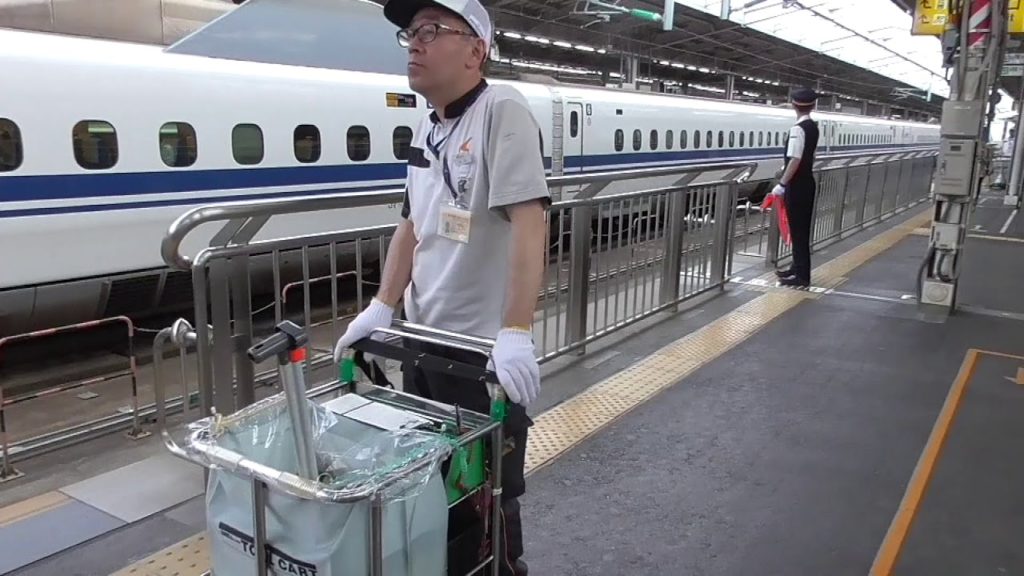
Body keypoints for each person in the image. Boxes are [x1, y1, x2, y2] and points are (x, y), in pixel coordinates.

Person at [332, 0, 550, 573]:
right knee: (439, 486)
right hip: (423, 339)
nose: (414, 43)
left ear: (476, 50)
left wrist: (515, 333)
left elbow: (531, 222)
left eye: (432, 31)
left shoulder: (503, 109)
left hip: (480, 355)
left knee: (491, 500)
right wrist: (381, 307)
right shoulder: (428, 124)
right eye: (410, 33)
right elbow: (412, 222)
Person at [770, 87, 820, 288]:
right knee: (800, 229)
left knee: (798, 231)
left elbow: (795, 159)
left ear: (793, 106)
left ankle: (802, 276)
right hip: (807, 183)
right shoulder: (813, 127)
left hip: (797, 186)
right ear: (813, 106)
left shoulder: (797, 130)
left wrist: (782, 184)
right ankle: (795, 267)